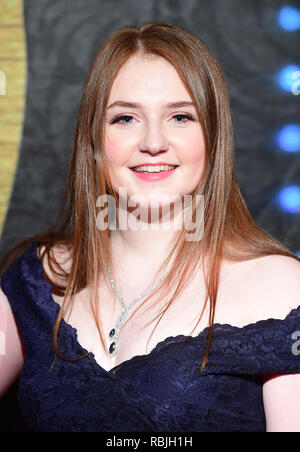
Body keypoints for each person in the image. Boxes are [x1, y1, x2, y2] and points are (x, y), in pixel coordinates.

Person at [0, 21, 299, 433]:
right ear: (93, 141)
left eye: (180, 116)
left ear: (213, 137)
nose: (154, 142)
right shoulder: (39, 277)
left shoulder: (282, 289)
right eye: (125, 119)